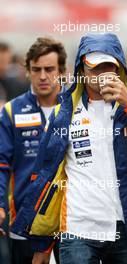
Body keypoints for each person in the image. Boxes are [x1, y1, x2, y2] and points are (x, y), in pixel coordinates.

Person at [12, 33, 127, 264]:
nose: (102, 74)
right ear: (81, 71)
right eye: (95, 68)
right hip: (77, 229)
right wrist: (43, 244)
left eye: (108, 67)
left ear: (119, 70)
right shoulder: (62, 114)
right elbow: (45, 177)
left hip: (125, 230)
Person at [0, 37, 67, 264]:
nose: (42, 76)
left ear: (62, 71)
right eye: (36, 69)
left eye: (49, 69)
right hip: (25, 218)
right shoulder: (12, 111)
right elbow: (1, 164)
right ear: (27, 71)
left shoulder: (76, 108)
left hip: (72, 220)